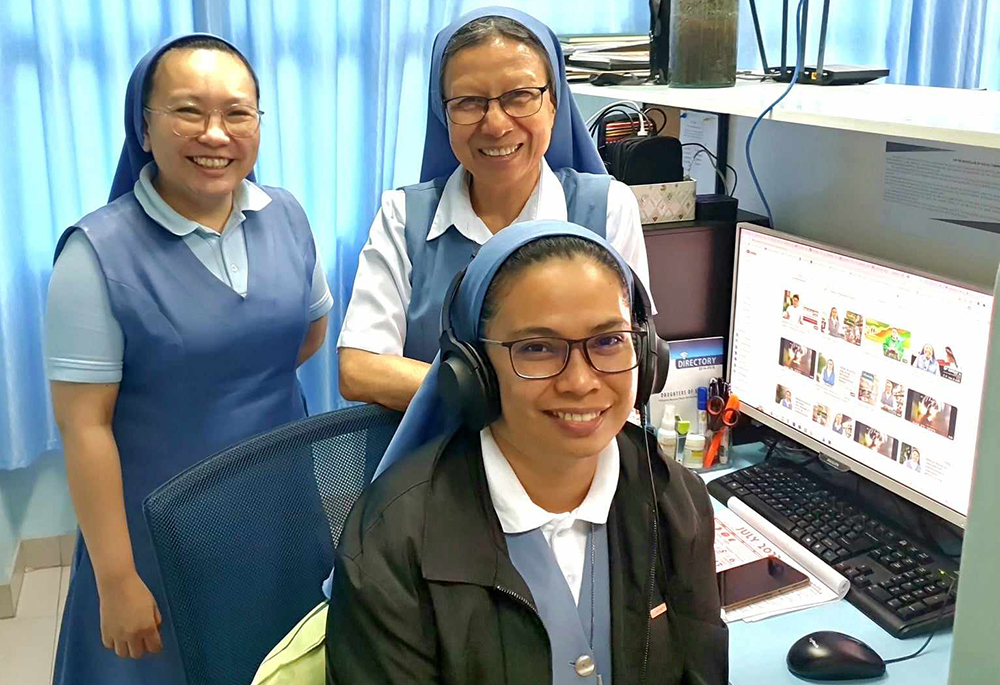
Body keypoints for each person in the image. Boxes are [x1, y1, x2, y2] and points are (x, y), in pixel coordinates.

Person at [324, 221, 727, 684]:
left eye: (609, 340)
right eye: (536, 348)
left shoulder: (677, 501)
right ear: (474, 373)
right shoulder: (392, 541)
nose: (580, 382)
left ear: (648, 354)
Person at [45, 35, 332, 684]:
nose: (215, 133)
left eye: (237, 112)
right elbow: (83, 426)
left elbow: (305, 332)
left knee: (281, 661)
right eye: (186, 111)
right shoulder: (95, 255)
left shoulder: (286, 214)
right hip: (159, 533)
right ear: (144, 129)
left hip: (281, 513)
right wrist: (117, 579)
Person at [337, 7, 653, 411]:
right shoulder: (404, 217)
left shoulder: (607, 208)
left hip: (570, 462)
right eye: (468, 102)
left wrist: (461, 387)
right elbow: (359, 368)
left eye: (520, 96)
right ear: (443, 112)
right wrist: (512, 394)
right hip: (434, 467)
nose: (496, 124)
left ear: (554, 104)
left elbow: (630, 361)